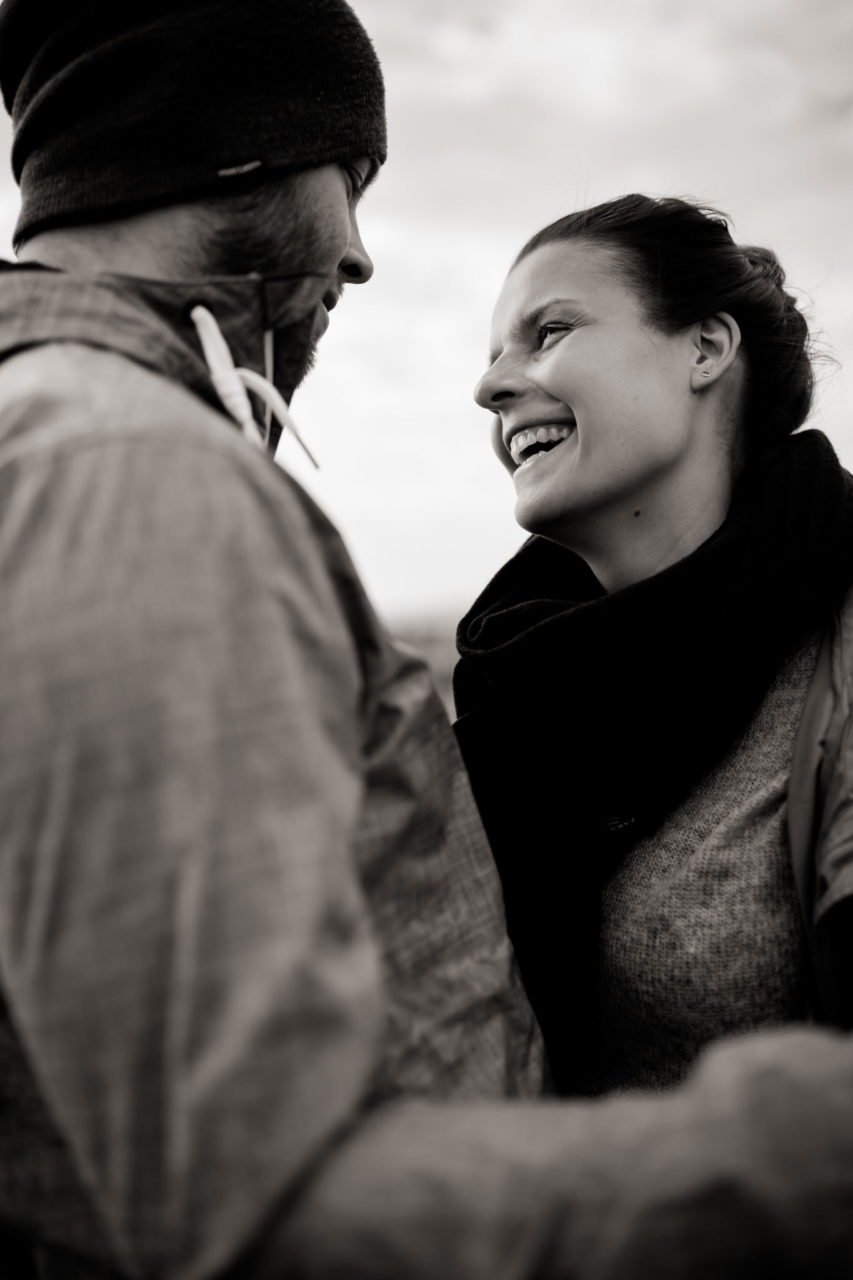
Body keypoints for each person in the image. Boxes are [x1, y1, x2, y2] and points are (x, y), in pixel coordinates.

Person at [1, 1, 852, 1269]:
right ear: (246, 156)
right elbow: (249, 1197)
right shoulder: (133, 471)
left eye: (547, 332)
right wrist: (768, 1153)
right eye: (351, 176)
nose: (355, 255)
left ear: (708, 352)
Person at [455, 193, 853, 1097]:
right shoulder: (512, 691)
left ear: (705, 350)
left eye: (547, 332)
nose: (490, 386)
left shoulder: (838, 644)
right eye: (492, 357)